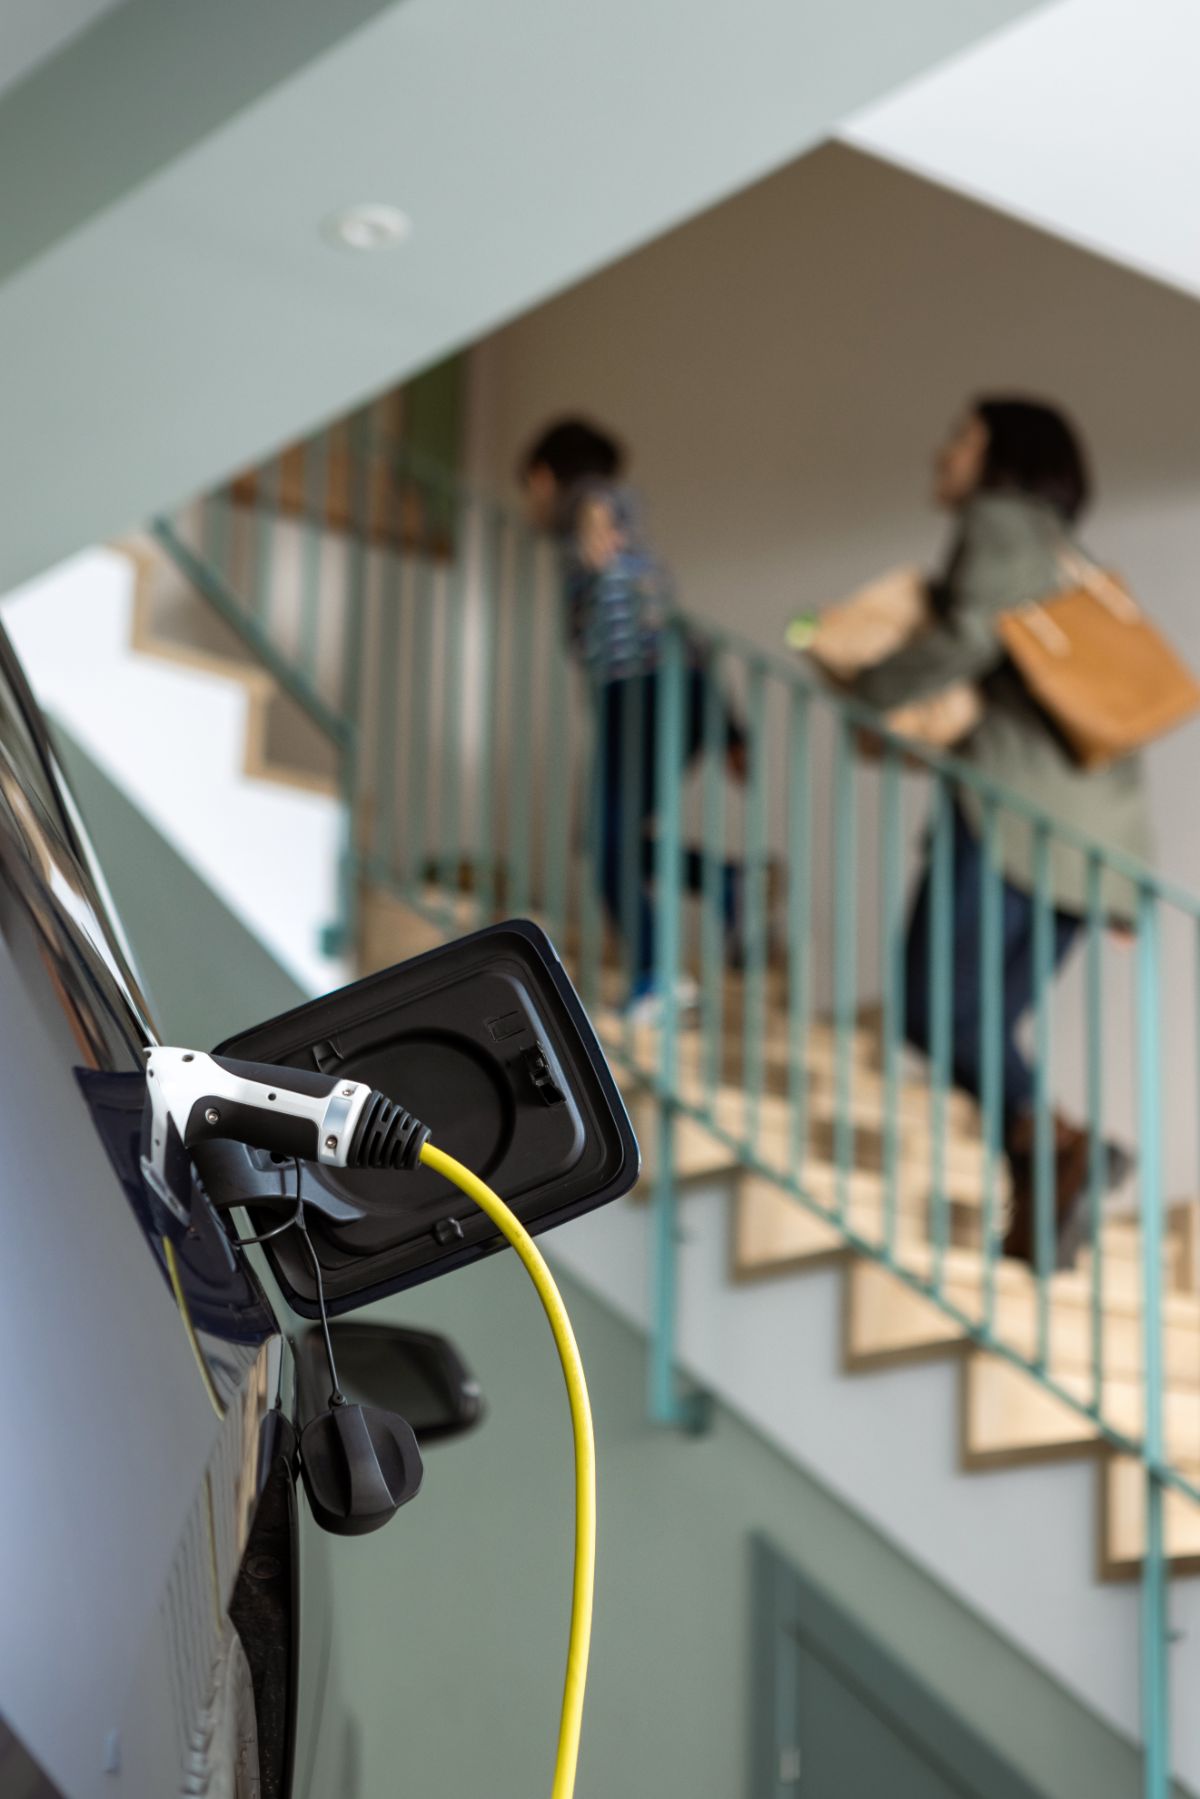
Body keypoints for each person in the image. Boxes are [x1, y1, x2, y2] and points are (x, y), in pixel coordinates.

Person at [849, 398, 1152, 1267]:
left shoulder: (998, 521)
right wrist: (1129, 882)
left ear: (1001, 458)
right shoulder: (1068, 551)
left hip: (1012, 820)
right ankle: (1043, 1174)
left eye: (961, 437)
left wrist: (867, 688)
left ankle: (1054, 1150)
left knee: (928, 1010)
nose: (943, 451)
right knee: (985, 1018)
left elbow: (971, 636)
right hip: (1091, 840)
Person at [519, 418, 746, 1014]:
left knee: (606, 837)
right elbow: (675, 624)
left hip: (641, 690)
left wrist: (591, 511)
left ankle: (655, 973)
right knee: (609, 838)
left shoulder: (590, 506)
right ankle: (726, 883)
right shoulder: (629, 555)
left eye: (531, 492)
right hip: (681, 690)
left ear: (543, 479)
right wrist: (729, 725)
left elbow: (596, 499)